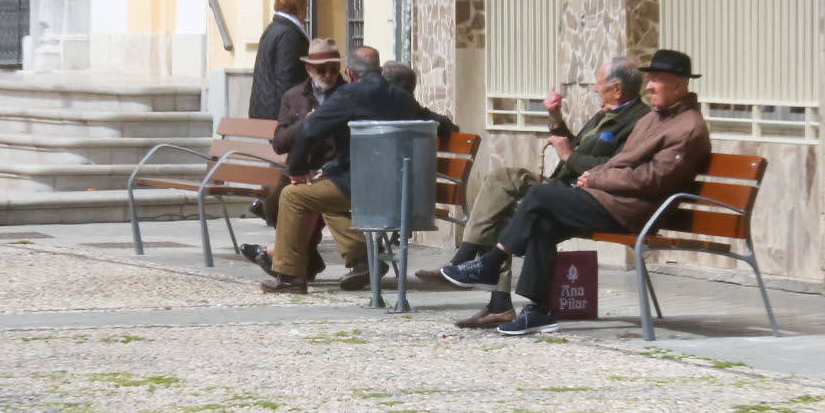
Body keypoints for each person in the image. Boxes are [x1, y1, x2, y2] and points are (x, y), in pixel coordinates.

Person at [439, 49, 711, 335]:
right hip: (613, 200)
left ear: (680, 85)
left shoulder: (688, 128)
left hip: (634, 211)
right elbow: (619, 162)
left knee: (539, 197)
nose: (650, 85)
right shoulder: (655, 118)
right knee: (542, 221)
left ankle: (490, 264)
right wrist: (595, 175)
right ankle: (538, 310)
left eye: (657, 80)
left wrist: (597, 179)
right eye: (650, 78)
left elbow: (655, 180)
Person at [419, 58, 649, 329]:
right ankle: (468, 263)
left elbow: (612, 169)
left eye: (598, 85)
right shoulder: (606, 114)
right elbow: (575, 147)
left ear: (617, 88)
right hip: (560, 186)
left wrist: (568, 155)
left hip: (586, 194)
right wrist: (555, 117)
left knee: (515, 217)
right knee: (501, 179)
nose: (596, 90)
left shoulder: (639, 121)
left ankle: (492, 291)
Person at [254, 46, 456, 294]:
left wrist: (296, 170)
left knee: (293, 196)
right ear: (380, 70)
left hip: (362, 189)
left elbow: (308, 129)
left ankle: (289, 277)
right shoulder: (402, 97)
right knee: (322, 186)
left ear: (349, 72)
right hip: (402, 193)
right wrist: (448, 126)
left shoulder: (349, 94)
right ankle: (361, 258)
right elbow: (438, 122)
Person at [240, 38, 346, 279]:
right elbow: (279, 143)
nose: (329, 75)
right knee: (276, 201)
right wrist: (305, 123)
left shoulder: (346, 95)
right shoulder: (294, 96)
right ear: (309, 69)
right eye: (322, 69)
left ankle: (287, 260)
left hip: (332, 171)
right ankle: (307, 259)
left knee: (299, 201)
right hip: (298, 171)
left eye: (334, 69)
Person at [247, 0, 310, 120]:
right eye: (306, 5)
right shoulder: (289, 34)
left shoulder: (273, 29)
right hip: (277, 114)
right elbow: (286, 79)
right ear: (300, 8)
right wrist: (293, 113)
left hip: (263, 109)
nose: (307, 10)